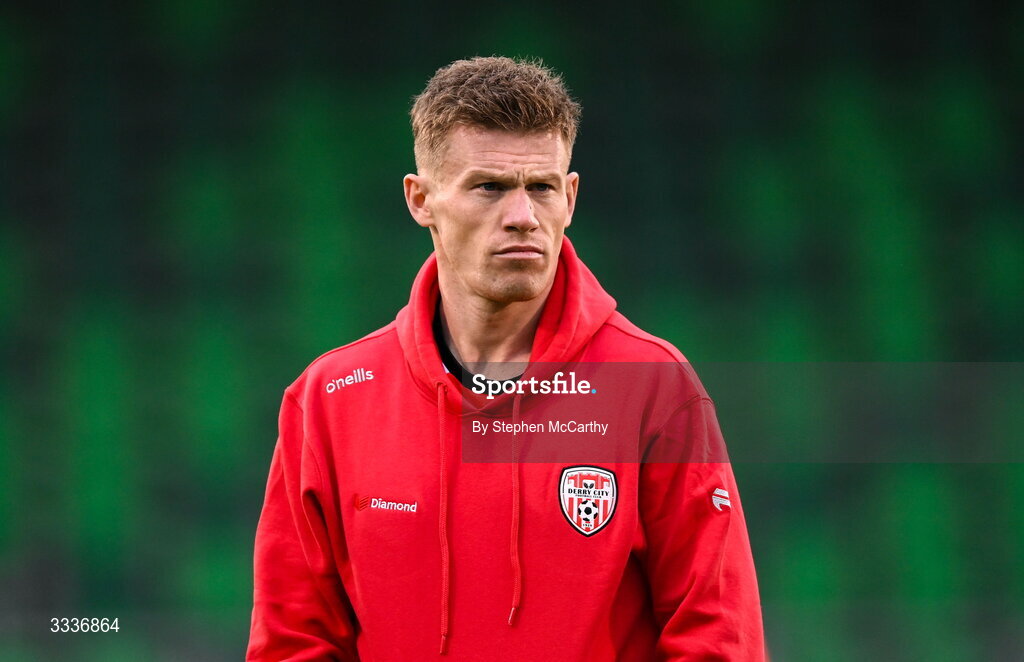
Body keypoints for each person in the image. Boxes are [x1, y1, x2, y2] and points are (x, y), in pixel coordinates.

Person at [246, 56, 766, 661]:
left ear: (570, 197)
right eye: (489, 187)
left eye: (541, 187)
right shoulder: (330, 400)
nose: (522, 217)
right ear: (421, 200)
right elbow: (295, 642)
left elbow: (718, 635)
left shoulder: (650, 386)